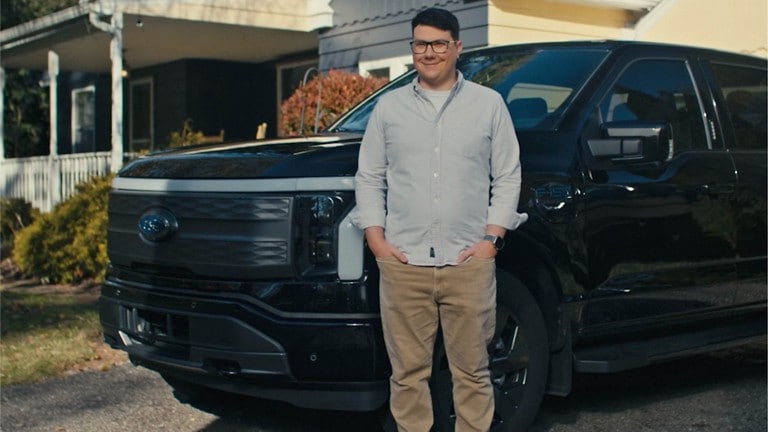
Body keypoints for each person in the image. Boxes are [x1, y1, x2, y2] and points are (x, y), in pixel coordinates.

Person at [353, 7, 528, 432]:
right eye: (419, 43)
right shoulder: (389, 108)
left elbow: (507, 175)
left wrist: (491, 241)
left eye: (437, 44)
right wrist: (377, 241)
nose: (427, 52)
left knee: (472, 372)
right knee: (407, 376)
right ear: (411, 47)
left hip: (468, 264)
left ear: (457, 47)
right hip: (403, 264)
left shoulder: (488, 106)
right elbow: (369, 176)